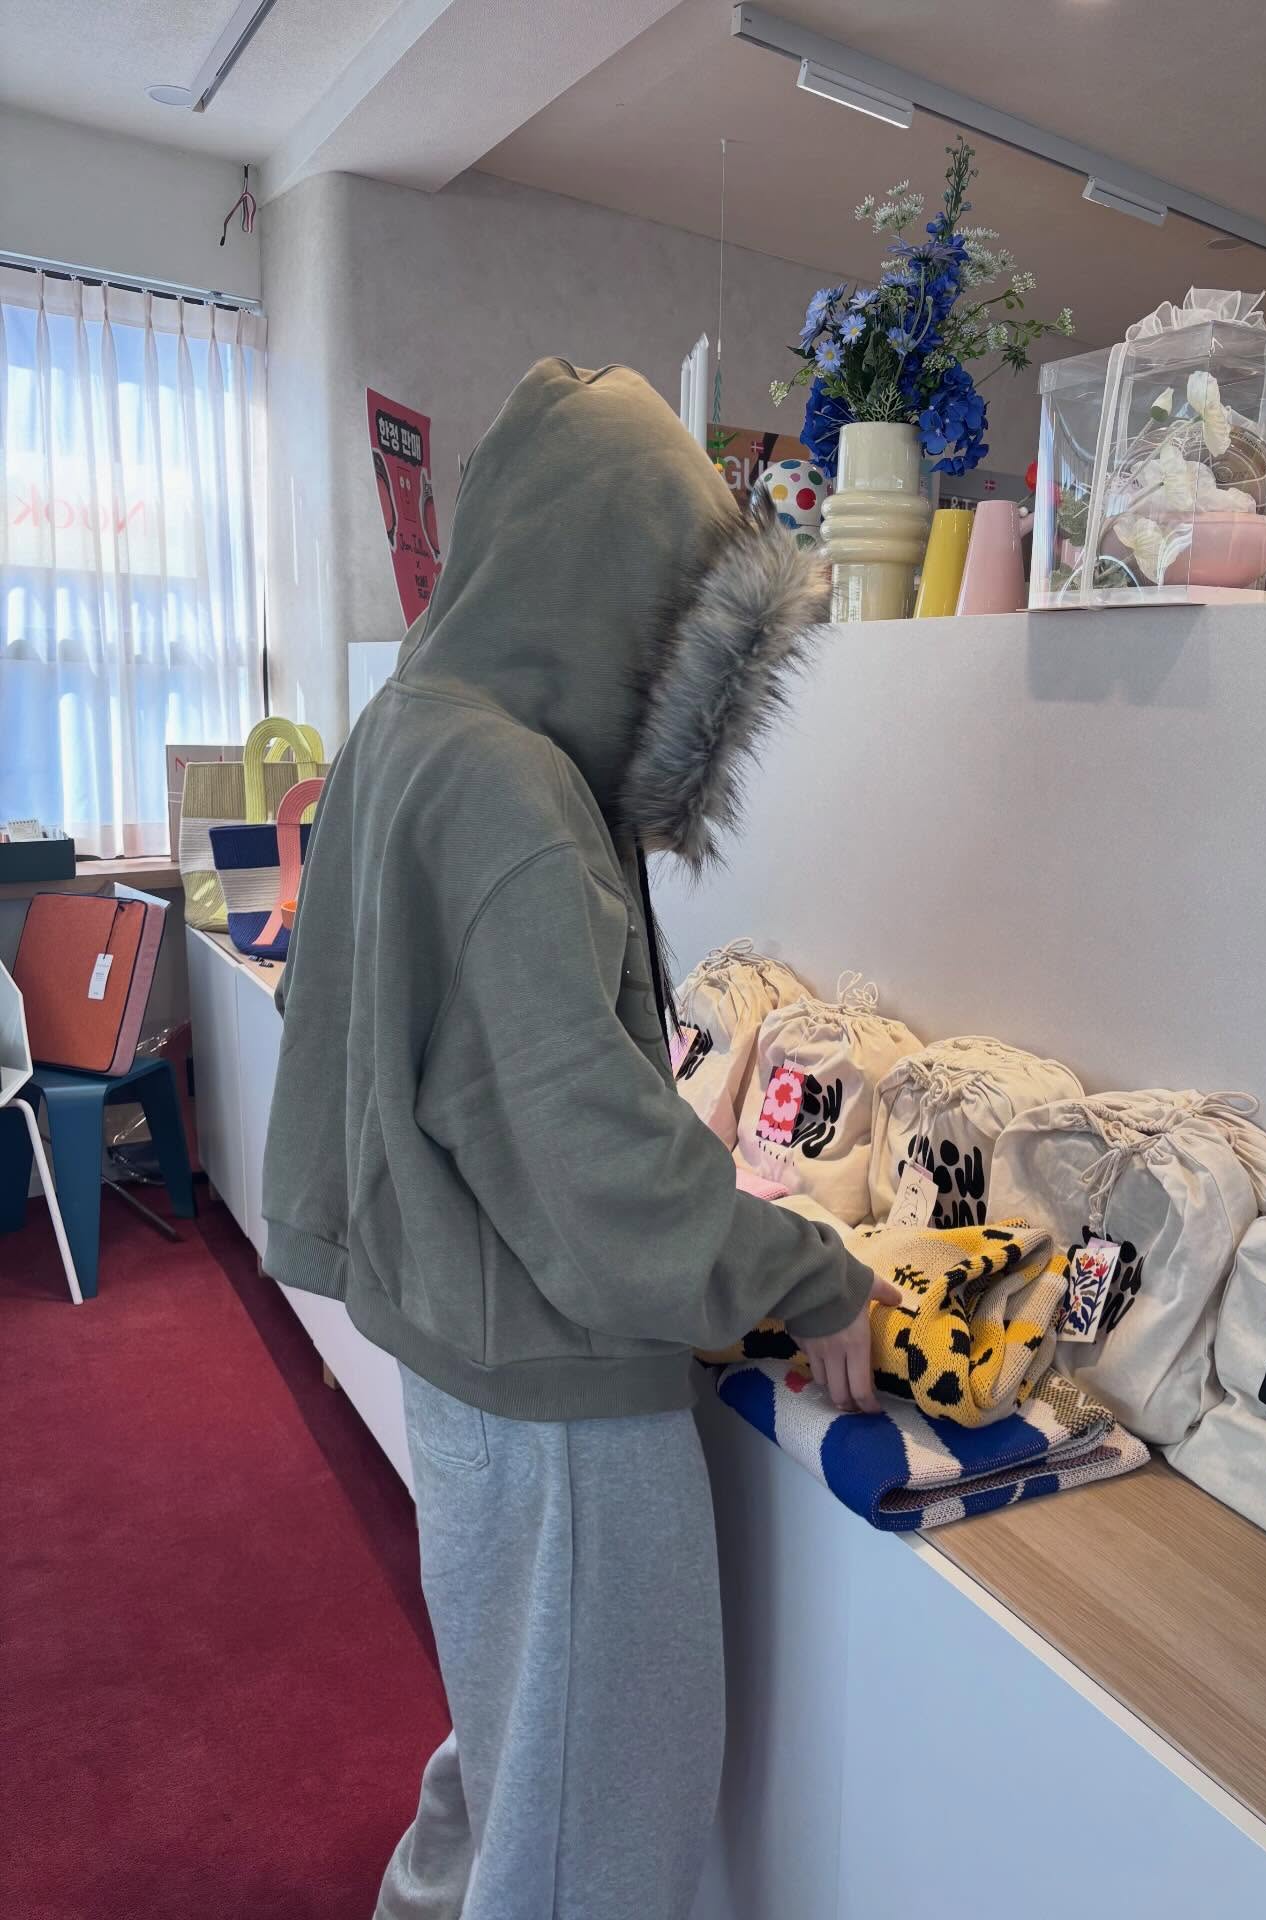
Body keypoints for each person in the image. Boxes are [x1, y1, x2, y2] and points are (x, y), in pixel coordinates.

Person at [262, 358, 889, 1920]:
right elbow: (591, 1159)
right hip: (552, 1381)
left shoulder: (413, 725)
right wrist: (809, 1271)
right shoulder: (511, 791)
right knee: (602, 1815)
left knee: (518, 1738)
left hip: (463, 1330)